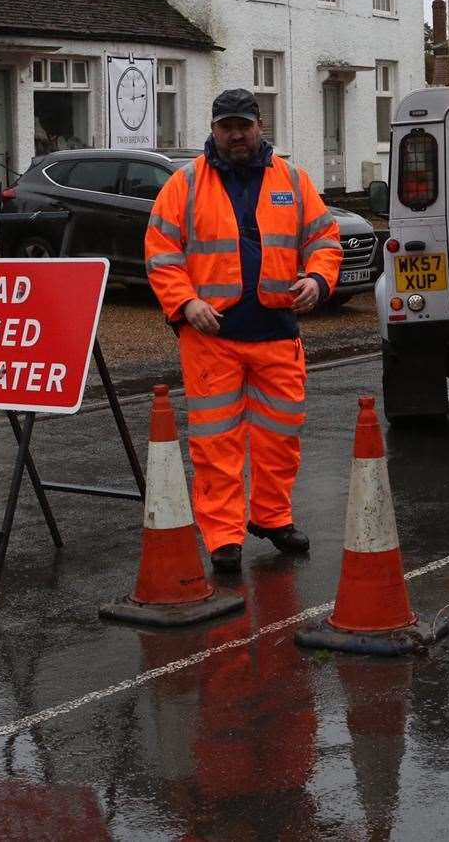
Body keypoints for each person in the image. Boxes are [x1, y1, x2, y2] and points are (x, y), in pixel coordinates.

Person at [145, 88, 343, 573]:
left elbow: (324, 238)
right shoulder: (185, 184)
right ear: (212, 130)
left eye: (243, 125)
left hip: (276, 329)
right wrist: (186, 303)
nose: (235, 134)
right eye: (226, 126)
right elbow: (160, 253)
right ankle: (223, 537)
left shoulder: (292, 180)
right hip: (212, 334)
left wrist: (318, 279)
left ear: (260, 126)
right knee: (217, 442)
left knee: (280, 436)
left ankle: (273, 518)